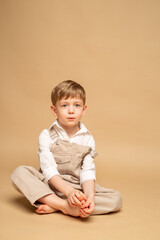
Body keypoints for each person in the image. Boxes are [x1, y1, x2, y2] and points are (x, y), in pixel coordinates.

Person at [10, 80, 122, 218]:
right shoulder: (46, 135)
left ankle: (55, 205)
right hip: (50, 185)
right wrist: (68, 193)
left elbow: (87, 172)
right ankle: (65, 206)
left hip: (76, 187)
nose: (71, 110)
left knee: (116, 199)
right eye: (64, 105)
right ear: (54, 110)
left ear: (84, 109)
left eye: (76, 105)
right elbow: (48, 170)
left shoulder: (88, 139)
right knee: (19, 173)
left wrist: (89, 198)